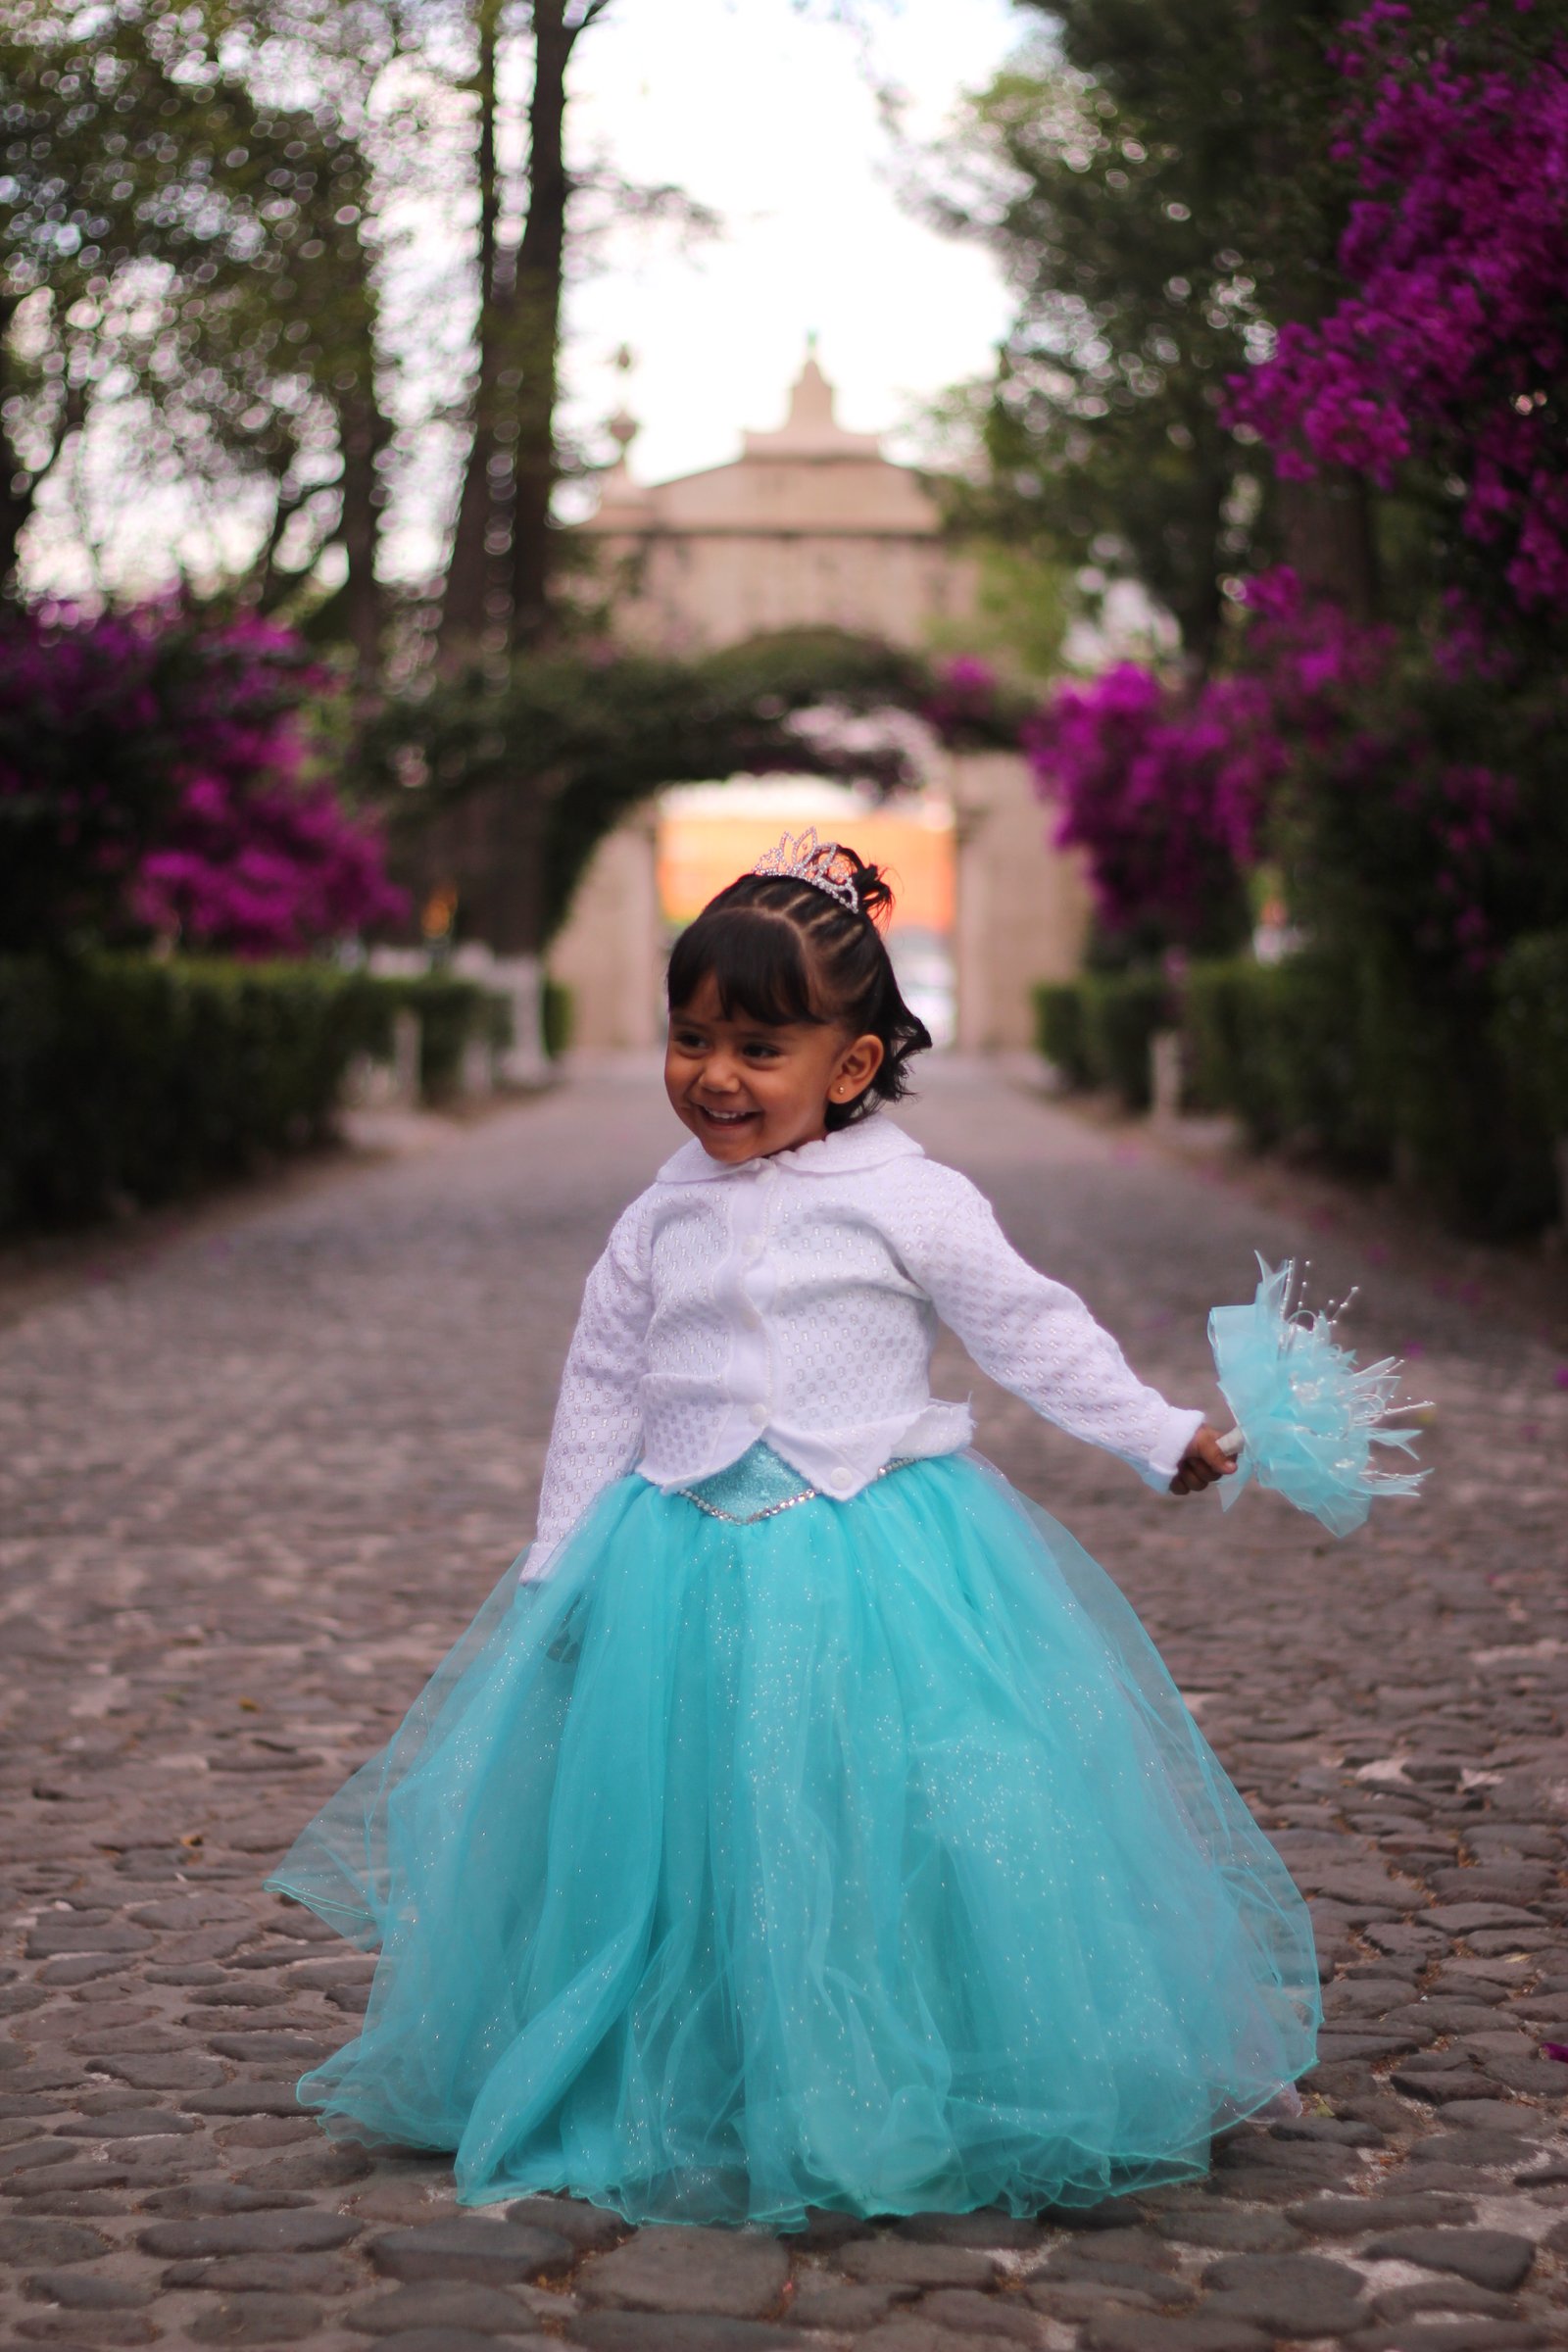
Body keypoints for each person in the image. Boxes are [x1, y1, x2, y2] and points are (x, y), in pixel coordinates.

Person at [266, 830, 1319, 2230]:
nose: (715, 1075)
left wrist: (1154, 1428)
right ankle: (704, 2061)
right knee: (690, 1823)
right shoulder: (659, 1215)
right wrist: (561, 1562)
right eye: (691, 1038)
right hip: (680, 1557)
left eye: (759, 1049)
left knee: (876, 1804)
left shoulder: (911, 1199)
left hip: (876, 1553)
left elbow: (1027, 1326)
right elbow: (603, 1384)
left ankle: (909, 2063)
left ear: (852, 1063)